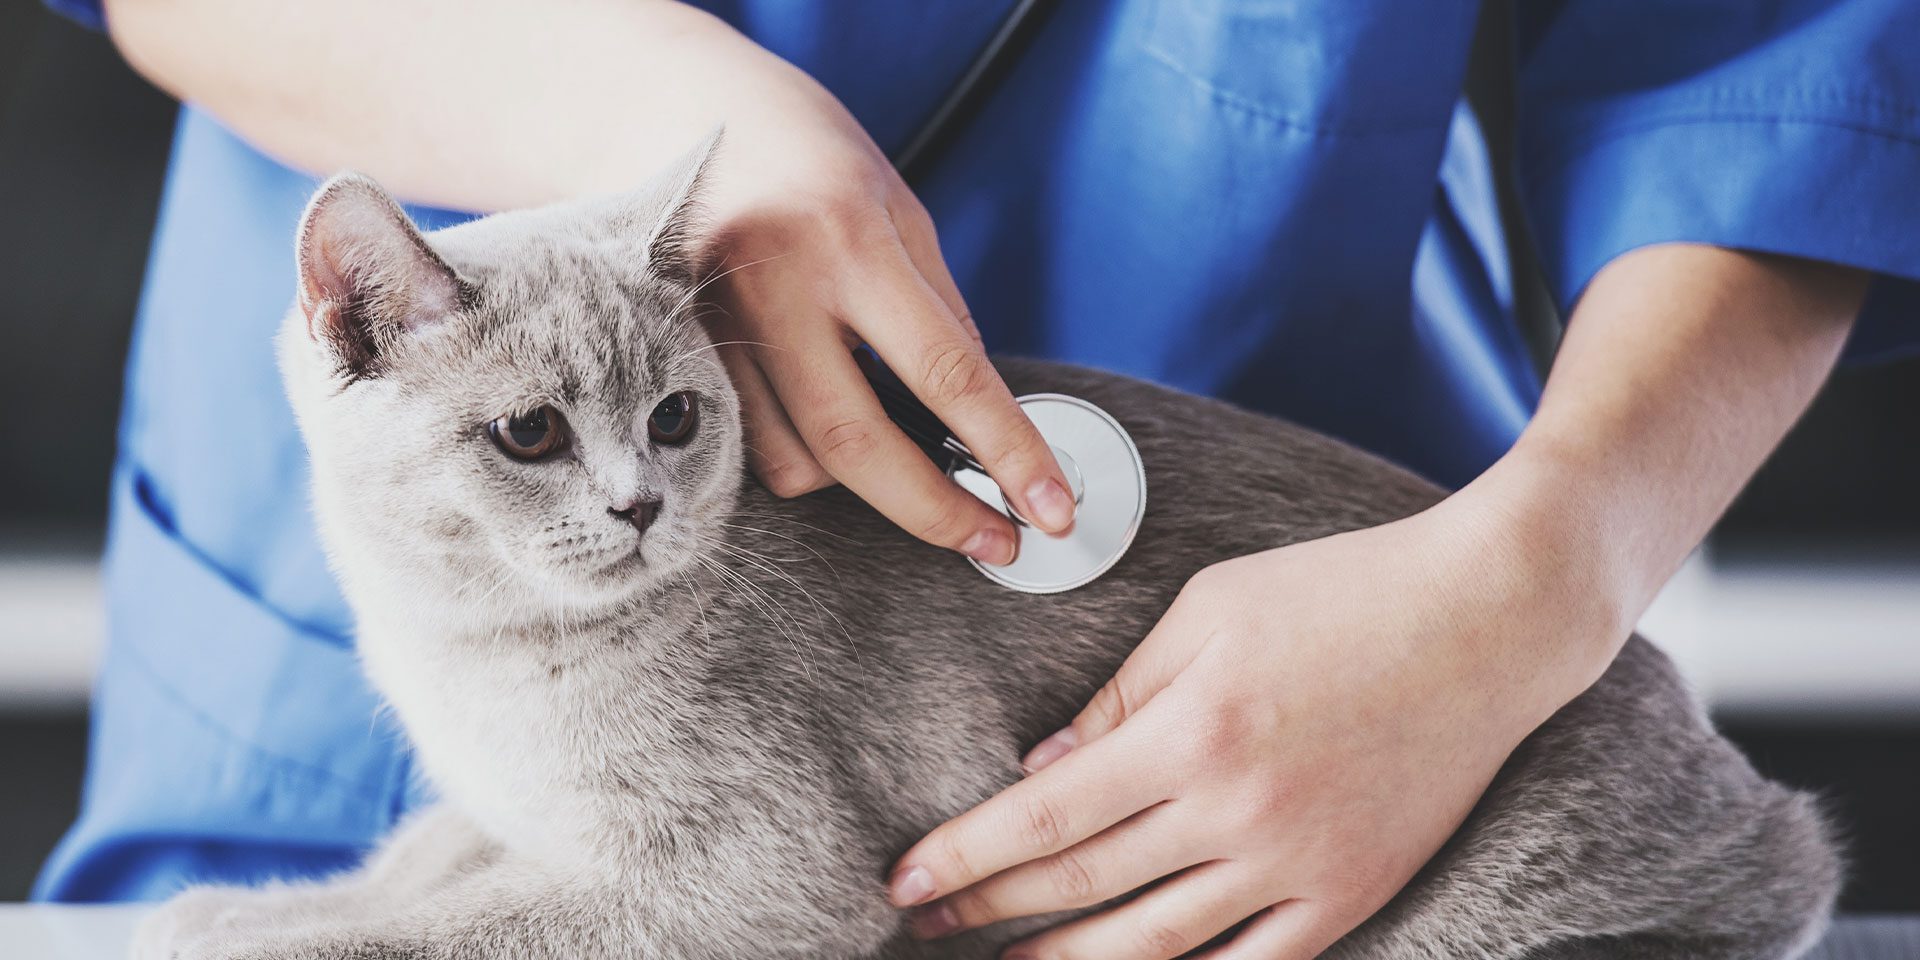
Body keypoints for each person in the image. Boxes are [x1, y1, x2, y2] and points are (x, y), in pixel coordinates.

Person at [37, 0, 1917, 956]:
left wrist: (1538, 579)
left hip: (1326, 654)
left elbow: (1778, 72)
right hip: (452, 422)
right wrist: (673, 136)